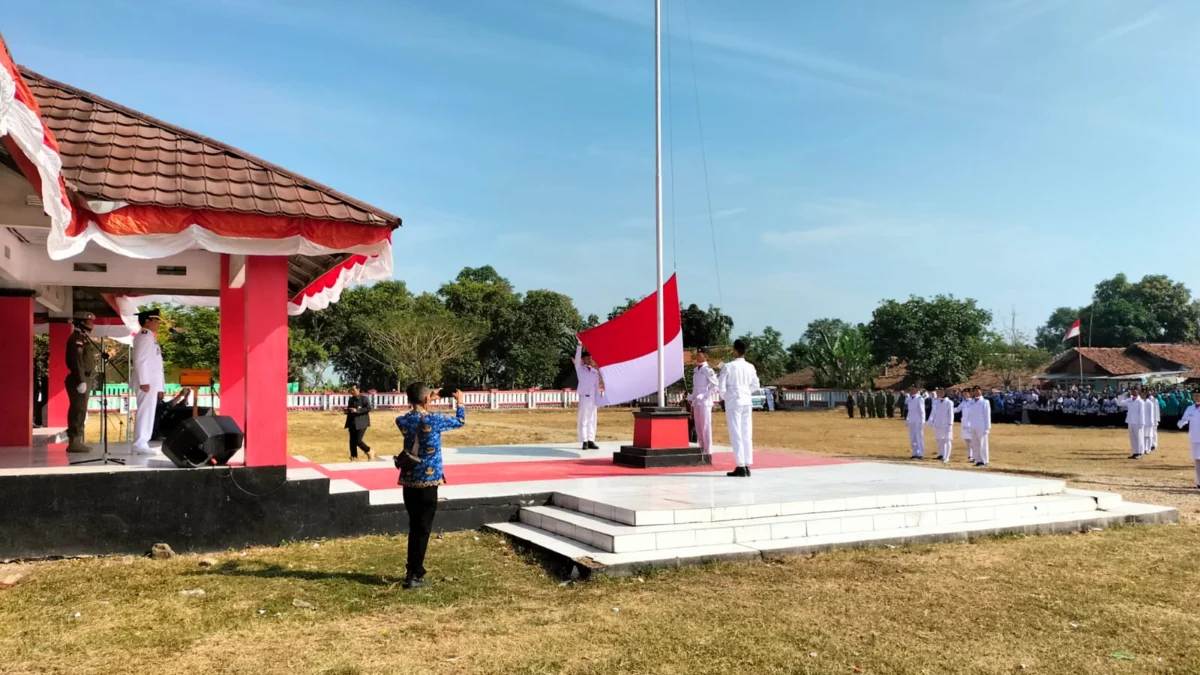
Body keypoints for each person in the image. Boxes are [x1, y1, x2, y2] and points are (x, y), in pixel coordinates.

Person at [394, 383, 465, 590]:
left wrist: (426, 400)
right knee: (423, 529)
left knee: (415, 527)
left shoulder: (403, 421)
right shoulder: (435, 420)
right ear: (426, 399)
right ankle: (415, 575)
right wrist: (459, 402)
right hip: (429, 482)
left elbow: (412, 416)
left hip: (408, 481)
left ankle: (412, 571)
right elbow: (460, 421)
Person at [718, 339, 760, 477]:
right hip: (746, 400)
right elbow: (755, 385)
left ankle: (741, 465)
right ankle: (747, 464)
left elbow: (721, 387)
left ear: (735, 350)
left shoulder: (728, 366)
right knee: (746, 432)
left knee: (736, 433)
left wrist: (726, 397)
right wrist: (745, 391)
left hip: (734, 401)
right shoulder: (750, 366)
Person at [130, 309, 165, 456]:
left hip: (152, 382)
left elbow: (157, 364)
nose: (158, 323)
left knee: (149, 412)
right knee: (145, 412)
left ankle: (143, 442)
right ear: (147, 322)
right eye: (155, 320)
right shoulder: (144, 336)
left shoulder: (150, 337)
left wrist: (160, 386)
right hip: (146, 382)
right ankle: (139, 443)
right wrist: (144, 381)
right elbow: (140, 360)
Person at [63, 312, 97, 453]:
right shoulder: (77, 339)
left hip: (85, 378)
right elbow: (77, 362)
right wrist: (81, 380)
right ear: (81, 322)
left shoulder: (84, 339)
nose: (92, 324)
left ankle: (78, 440)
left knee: (82, 409)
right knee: (78, 409)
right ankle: (74, 441)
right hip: (79, 379)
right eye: (89, 322)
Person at [687, 348, 720, 456]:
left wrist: (705, 394)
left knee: (705, 426)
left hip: (705, 402)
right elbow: (696, 387)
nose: (697, 356)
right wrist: (692, 395)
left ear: (705, 356)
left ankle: (708, 450)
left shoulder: (708, 370)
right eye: (697, 354)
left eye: (700, 355)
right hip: (696, 401)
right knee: (698, 426)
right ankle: (701, 448)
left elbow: (715, 386)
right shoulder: (696, 370)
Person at [573, 342, 602, 450]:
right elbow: (576, 359)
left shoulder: (594, 372)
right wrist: (579, 346)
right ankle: (584, 440)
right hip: (584, 397)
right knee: (583, 419)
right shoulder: (580, 369)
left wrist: (598, 399)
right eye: (587, 359)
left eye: (590, 359)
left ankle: (591, 440)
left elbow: (596, 386)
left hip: (593, 398)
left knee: (592, 419)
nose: (589, 360)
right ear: (583, 360)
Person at [344, 385, 373, 461]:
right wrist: (347, 411)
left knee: (358, 441)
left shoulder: (364, 398)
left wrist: (357, 410)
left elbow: (369, 408)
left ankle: (369, 451)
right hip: (352, 423)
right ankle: (354, 458)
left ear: (358, 389)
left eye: (353, 390)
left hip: (362, 423)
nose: (352, 392)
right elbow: (350, 409)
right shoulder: (351, 400)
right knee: (352, 442)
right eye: (351, 390)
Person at [1176, 399, 1200, 488]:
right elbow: (1185, 419)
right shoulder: (1190, 408)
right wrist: (1181, 423)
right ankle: (1199, 482)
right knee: (1197, 460)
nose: (1197, 397)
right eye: (1195, 395)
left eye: (1199, 395)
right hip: (1194, 437)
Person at [927, 388, 954, 463]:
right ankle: (941, 454)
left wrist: (950, 424)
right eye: (938, 392)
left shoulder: (949, 402)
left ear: (944, 393)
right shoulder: (936, 402)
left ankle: (947, 457)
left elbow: (951, 414)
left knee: (947, 440)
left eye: (941, 392)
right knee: (939, 440)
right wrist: (930, 421)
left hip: (946, 424)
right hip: (937, 424)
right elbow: (933, 413)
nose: (939, 393)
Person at [1116, 389, 1145, 460]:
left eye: (1135, 391)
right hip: (1130, 421)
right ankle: (1135, 452)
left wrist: (1142, 423)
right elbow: (1119, 403)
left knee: (1139, 437)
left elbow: (1142, 413)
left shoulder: (1140, 402)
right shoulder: (1129, 400)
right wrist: (1123, 395)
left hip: (1138, 422)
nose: (1133, 392)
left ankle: (1139, 453)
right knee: (1132, 438)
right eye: (1132, 391)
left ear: (1138, 392)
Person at [967, 387, 992, 467]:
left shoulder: (985, 402)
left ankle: (984, 460)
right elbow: (969, 414)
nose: (976, 392)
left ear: (981, 391)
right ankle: (978, 460)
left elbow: (987, 415)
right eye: (975, 391)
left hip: (982, 425)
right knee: (975, 444)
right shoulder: (971, 402)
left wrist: (988, 428)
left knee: (983, 444)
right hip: (973, 425)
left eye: (978, 391)